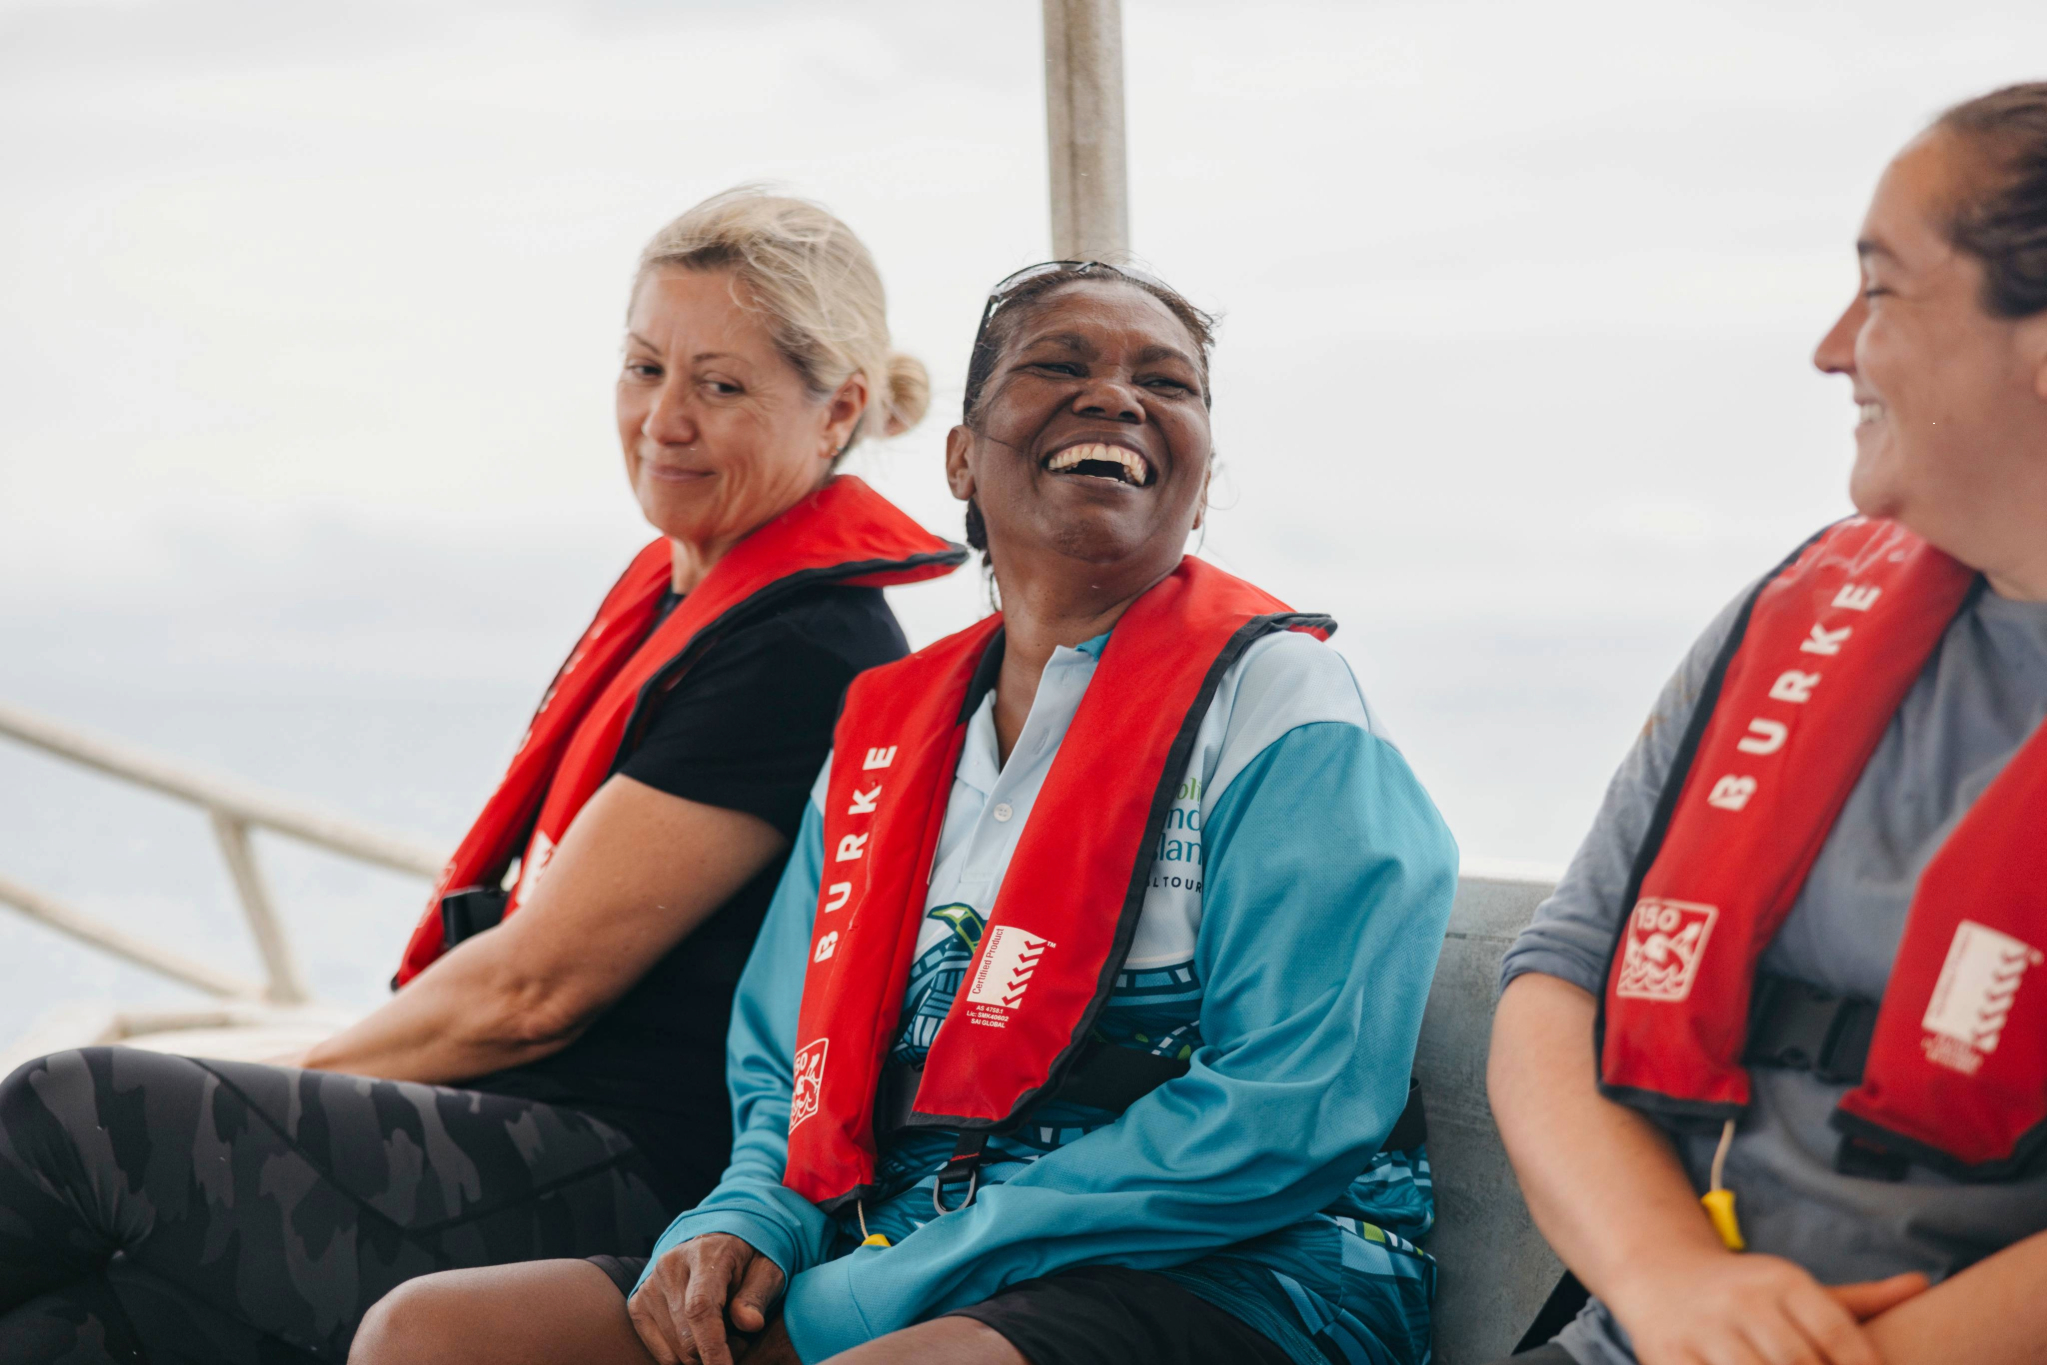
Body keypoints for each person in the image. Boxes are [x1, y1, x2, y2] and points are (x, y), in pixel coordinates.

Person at [348, 261, 1460, 1365]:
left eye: (1166, 385)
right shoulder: (883, 736)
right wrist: (748, 1215)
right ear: (962, 461)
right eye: (1059, 365)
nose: (1117, 397)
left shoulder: (1281, 709)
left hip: (1241, 1272)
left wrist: (887, 1288)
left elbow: (1291, 1105)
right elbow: (787, 1064)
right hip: (896, 1241)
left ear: (1202, 482)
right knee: (435, 1336)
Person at [0, 188, 965, 1364]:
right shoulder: (684, 592)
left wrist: (276, 1085)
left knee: (77, 1115)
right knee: (73, 1332)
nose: (664, 418)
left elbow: (532, 994)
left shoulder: (806, 647)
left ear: (839, 413)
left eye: (719, 385)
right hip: (518, 1137)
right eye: (643, 366)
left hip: (623, 1174)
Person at [1488, 84, 2047, 1365]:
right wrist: (1668, 1282)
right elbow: (1561, 978)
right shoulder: (1795, 619)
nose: (1832, 346)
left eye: (1883, 291)